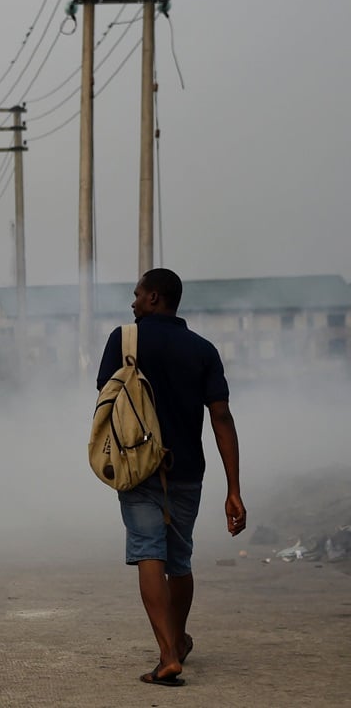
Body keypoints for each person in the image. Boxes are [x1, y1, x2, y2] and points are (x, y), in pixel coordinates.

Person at [96, 268, 246, 687]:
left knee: (149, 554)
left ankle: (167, 656)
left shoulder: (124, 340)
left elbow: (106, 398)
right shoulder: (203, 350)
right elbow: (221, 417)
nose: (133, 302)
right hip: (187, 470)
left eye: (138, 295)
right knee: (179, 561)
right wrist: (234, 489)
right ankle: (177, 641)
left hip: (136, 468)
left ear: (155, 298)